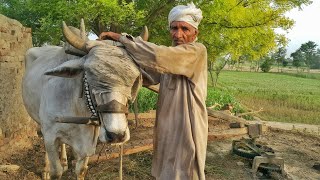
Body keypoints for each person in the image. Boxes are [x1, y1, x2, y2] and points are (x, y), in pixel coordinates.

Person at [99, 3, 208, 180]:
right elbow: (149, 75)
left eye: (184, 29)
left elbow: (157, 56)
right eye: (174, 28)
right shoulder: (172, 56)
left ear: (196, 32)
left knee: (185, 167)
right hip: (167, 123)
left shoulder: (197, 51)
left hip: (187, 124)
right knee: (167, 164)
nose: (178, 34)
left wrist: (121, 38)